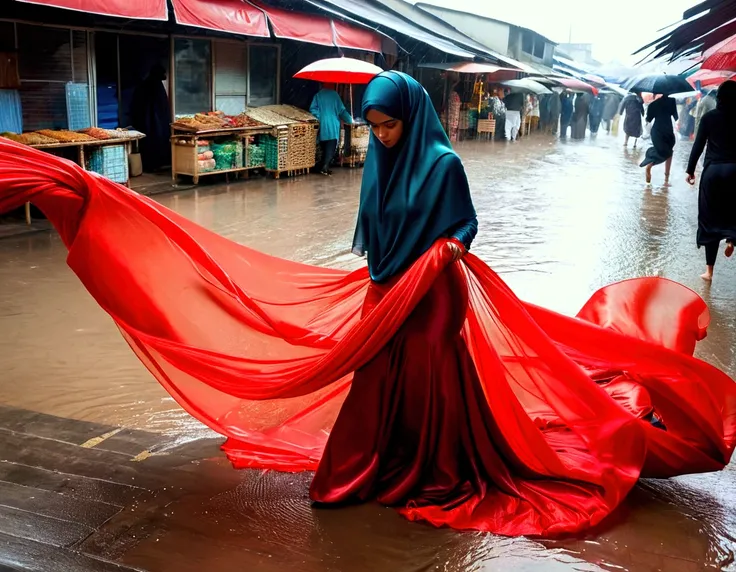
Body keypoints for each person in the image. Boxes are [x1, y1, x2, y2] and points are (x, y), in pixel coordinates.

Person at [2, 73, 736, 537]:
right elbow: (371, 238)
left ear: (410, 118)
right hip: (387, 294)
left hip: (433, 299)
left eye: (388, 126)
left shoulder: (443, 162)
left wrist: (434, 262)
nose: (380, 136)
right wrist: (381, 284)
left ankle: (424, 471)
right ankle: (366, 470)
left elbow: (462, 232)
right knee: (375, 384)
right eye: (374, 126)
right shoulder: (378, 161)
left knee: (426, 382)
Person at [686, 80, 736, 281]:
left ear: (719, 98)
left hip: (713, 171)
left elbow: (698, 146)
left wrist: (690, 170)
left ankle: (709, 272)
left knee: (709, 218)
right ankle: (732, 238)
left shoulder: (709, 118)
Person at [131, 64, 171, 172]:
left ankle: (149, 165)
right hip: (155, 121)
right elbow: (162, 106)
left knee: (148, 142)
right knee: (156, 142)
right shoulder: (156, 85)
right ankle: (156, 164)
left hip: (146, 122)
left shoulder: (144, 85)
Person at [310, 84, 353, 175]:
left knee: (324, 148)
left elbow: (312, 109)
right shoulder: (334, 95)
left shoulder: (318, 95)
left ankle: (322, 166)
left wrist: (319, 117)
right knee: (331, 148)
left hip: (322, 126)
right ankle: (325, 167)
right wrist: (350, 120)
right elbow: (342, 111)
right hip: (332, 126)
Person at [640, 94, 678, 184]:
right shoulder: (672, 101)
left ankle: (650, 164)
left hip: (657, 131)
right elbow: (676, 117)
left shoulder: (654, 104)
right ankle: (666, 178)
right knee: (669, 152)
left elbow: (648, 119)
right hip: (668, 130)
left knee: (660, 151)